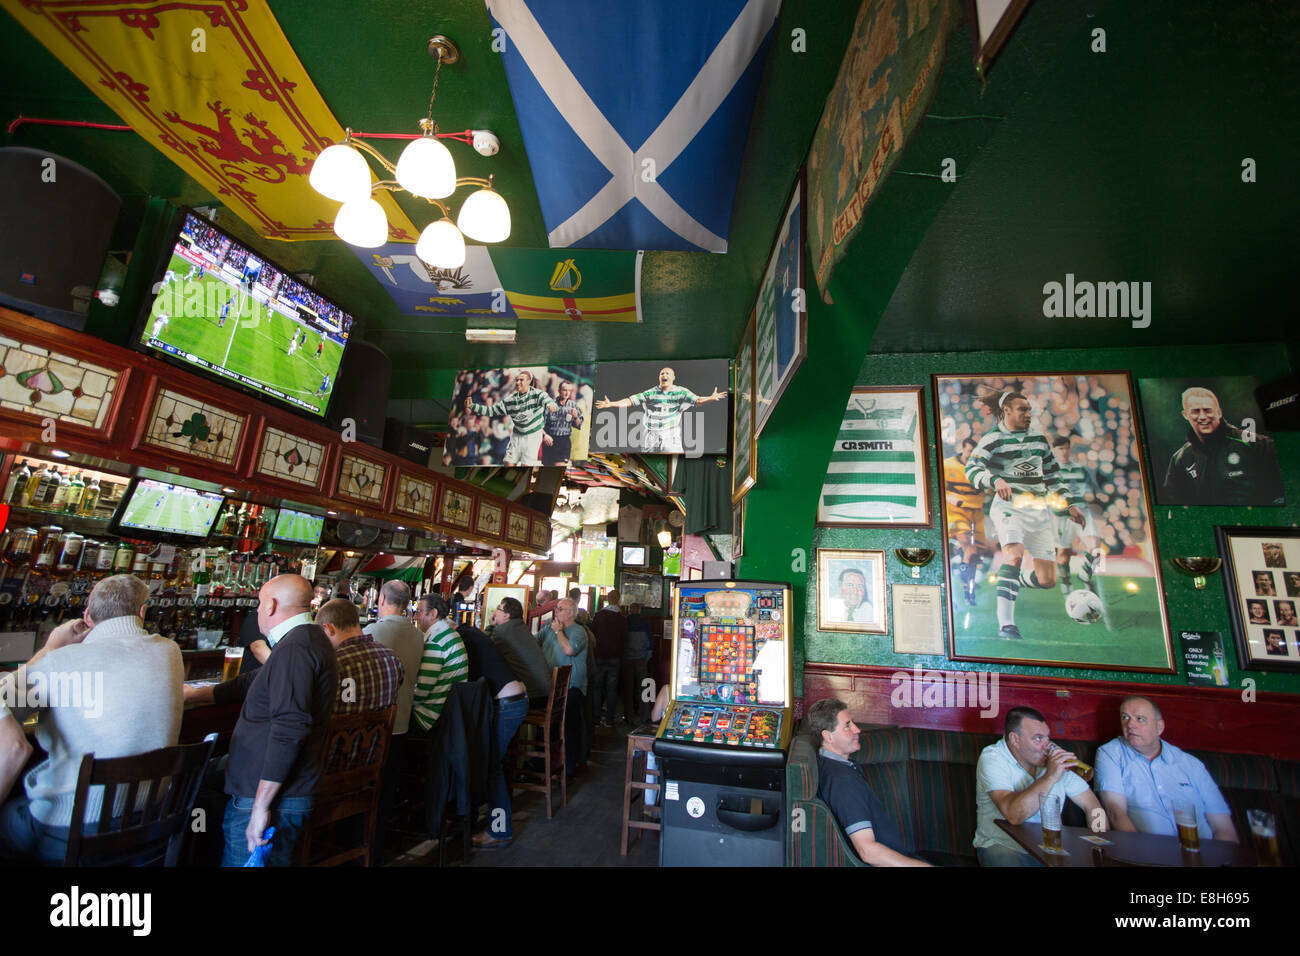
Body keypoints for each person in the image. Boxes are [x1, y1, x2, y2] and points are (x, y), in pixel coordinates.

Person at [0, 574, 183, 863]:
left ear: (87, 616)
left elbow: (6, 700)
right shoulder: (170, 651)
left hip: (70, 825)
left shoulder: (60, 662)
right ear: (142, 612)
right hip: (150, 819)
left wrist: (49, 649)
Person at [186, 573, 338, 866]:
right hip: (275, 789)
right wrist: (194, 695)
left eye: (257, 604)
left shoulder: (296, 647)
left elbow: (290, 728)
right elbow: (252, 682)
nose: (256, 611)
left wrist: (261, 806)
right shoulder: (305, 638)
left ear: (270, 605)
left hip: (274, 796)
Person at [965, 388, 1086, 640]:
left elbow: (1053, 476)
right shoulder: (993, 439)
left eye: (1029, 409)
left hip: (1039, 512)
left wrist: (1070, 505)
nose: (1028, 414)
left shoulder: (1039, 440)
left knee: (1047, 580)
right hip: (1010, 508)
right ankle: (1006, 625)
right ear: (1006, 410)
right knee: (1014, 555)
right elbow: (972, 468)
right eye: (1023, 409)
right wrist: (994, 479)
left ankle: (1011, 580)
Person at [973, 706, 1106, 866]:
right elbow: (1014, 815)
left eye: (1047, 738)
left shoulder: (1054, 760)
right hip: (1002, 846)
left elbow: (1093, 806)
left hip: (1049, 849)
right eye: (1038, 738)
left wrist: (1099, 844)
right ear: (1015, 739)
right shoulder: (993, 758)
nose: (1047, 745)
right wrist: (1050, 776)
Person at [1095, 696, 1238, 843]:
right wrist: (1137, 852)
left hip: (1202, 855)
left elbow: (1224, 828)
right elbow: (1115, 811)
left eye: (1140, 719)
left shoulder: (1191, 765)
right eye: (1125, 717)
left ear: (1159, 727)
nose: (1130, 725)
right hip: (1146, 852)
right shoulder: (1110, 753)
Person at [807, 699, 930, 866]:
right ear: (828, 736)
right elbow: (867, 851)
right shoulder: (842, 781)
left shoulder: (833, 765)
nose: (857, 729)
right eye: (848, 726)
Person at [457, 621, 529, 847]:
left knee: (491, 766)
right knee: (491, 763)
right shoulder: (470, 633)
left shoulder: (460, 641)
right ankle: (484, 815)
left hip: (508, 705)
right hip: (517, 699)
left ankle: (499, 830)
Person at [1162, 386, 1284, 506]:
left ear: (1219, 412)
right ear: (1185, 415)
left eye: (1207, 410)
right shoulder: (1180, 459)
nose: (1203, 417)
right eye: (1195, 411)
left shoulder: (1256, 443)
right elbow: (1174, 504)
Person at [595, 366, 726, 454]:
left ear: (673, 378)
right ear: (659, 378)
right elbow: (630, 401)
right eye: (662, 373)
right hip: (651, 436)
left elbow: (697, 400)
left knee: (673, 462)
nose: (664, 375)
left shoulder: (681, 391)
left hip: (670, 434)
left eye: (667, 373)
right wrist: (611, 404)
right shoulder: (651, 393)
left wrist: (711, 398)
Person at [315, 599, 403, 715]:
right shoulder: (392, 658)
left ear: (329, 628)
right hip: (380, 732)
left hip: (338, 732)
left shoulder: (334, 663)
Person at [363, 581, 424, 737]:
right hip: (403, 721)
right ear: (407, 603)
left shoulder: (370, 633)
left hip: (373, 723)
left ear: (381, 599)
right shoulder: (420, 636)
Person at [536, 598, 588, 778]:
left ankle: (569, 769)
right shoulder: (548, 630)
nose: (556, 611)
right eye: (556, 608)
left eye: (560, 609)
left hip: (572, 687)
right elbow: (534, 643)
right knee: (544, 727)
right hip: (549, 685)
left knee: (568, 728)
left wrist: (558, 632)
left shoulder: (579, 632)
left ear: (571, 613)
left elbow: (569, 650)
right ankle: (543, 765)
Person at [464, 370, 559, 466]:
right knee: (508, 464)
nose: (518, 382)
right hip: (517, 436)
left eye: (521, 380)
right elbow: (491, 410)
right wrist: (473, 406)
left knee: (525, 466)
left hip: (532, 437)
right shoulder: (510, 400)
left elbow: (548, 401)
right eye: (517, 380)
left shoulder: (538, 395)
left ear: (529, 381)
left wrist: (551, 406)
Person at [1049, 435, 1103, 596]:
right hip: (1061, 516)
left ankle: (1084, 575)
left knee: (1096, 549)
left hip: (1082, 513)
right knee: (1063, 557)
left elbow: (1089, 491)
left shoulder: (1080, 469)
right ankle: (1066, 584)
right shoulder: (1051, 470)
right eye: (1060, 449)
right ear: (1054, 450)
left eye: (1066, 448)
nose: (1064, 452)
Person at [410, 593, 468, 734]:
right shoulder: (451, 634)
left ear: (433, 613)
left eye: (419, 611)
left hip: (429, 717)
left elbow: (422, 691)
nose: (415, 617)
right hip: (450, 712)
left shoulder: (435, 641)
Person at [944, 436, 991, 607]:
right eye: (969, 451)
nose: (971, 455)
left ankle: (964, 581)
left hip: (976, 514)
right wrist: (952, 498)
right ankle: (965, 591)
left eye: (974, 453)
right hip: (956, 513)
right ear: (962, 448)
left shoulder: (981, 468)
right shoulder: (948, 465)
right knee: (968, 548)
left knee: (975, 555)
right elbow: (938, 488)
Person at [488, 597, 553, 704]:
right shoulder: (521, 627)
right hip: (544, 693)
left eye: (498, 608)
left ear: (506, 615)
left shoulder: (502, 632)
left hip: (532, 696)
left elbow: (487, 649)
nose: (494, 612)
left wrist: (491, 626)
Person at [591, 590, 628, 727]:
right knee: (612, 689)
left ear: (607, 598)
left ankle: (595, 719)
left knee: (597, 687)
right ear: (618, 600)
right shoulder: (622, 618)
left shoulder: (598, 616)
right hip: (615, 658)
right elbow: (625, 639)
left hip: (600, 655)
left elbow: (592, 633)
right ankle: (609, 720)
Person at [622, 603, 654, 725]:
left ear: (629, 610)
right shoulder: (645, 623)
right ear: (639, 610)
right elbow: (650, 642)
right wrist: (647, 657)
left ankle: (629, 717)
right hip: (642, 659)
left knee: (628, 689)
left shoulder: (625, 622)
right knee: (644, 688)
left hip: (627, 659)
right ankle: (645, 715)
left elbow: (622, 640)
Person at [541, 380, 584, 466]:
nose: (567, 393)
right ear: (559, 390)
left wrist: (575, 417)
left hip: (564, 442)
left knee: (558, 467)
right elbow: (539, 425)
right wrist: (544, 435)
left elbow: (578, 425)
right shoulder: (550, 405)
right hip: (550, 441)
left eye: (569, 390)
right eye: (565, 390)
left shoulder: (573, 406)